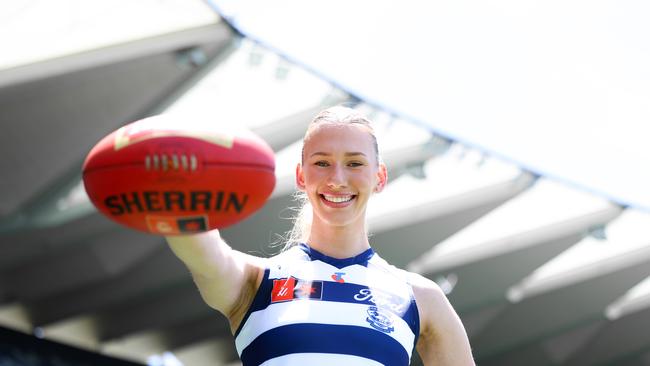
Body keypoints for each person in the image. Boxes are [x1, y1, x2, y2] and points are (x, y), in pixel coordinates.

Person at [166, 106, 475, 365]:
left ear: (379, 177)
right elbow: (200, 251)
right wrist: (167, 182)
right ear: (301, 176)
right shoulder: (255, 281)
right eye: (321, 163)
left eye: (354, 163)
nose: (337, 179)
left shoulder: (420, 298)